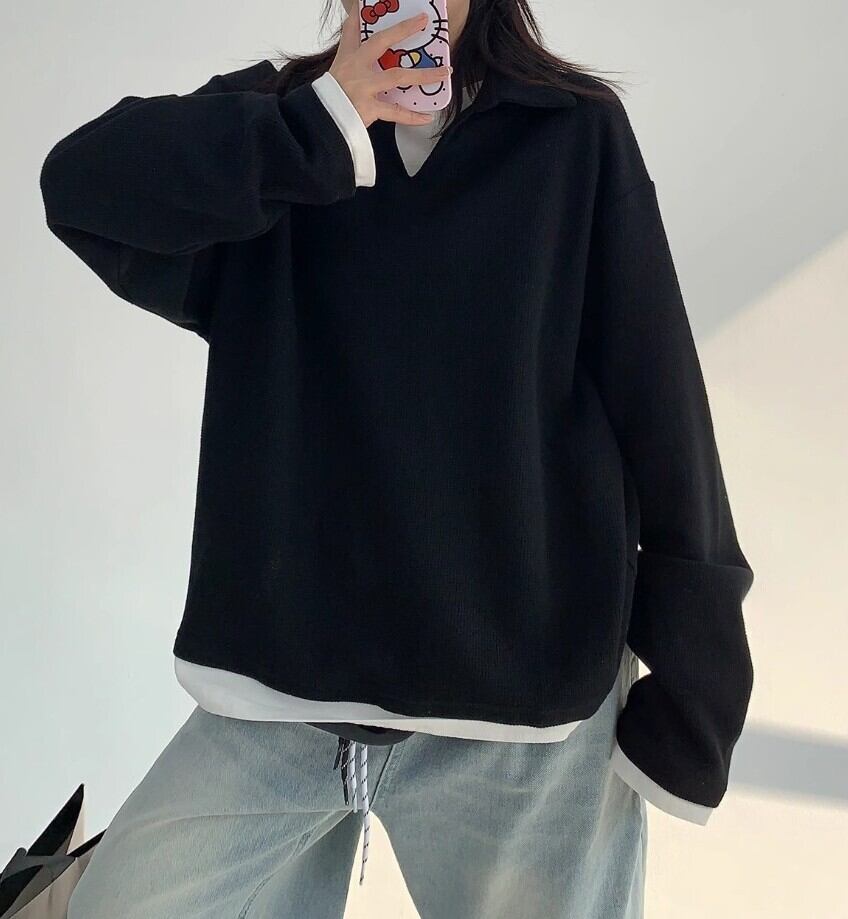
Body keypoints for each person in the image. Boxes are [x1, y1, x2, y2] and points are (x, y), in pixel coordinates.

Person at [42, 2, 755, 917]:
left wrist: (699, 670)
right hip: (281, 694)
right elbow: (81, 186)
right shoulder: (282, 122)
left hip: (520, 709)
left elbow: (654, 388)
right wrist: (322, 122)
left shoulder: (568, 134)